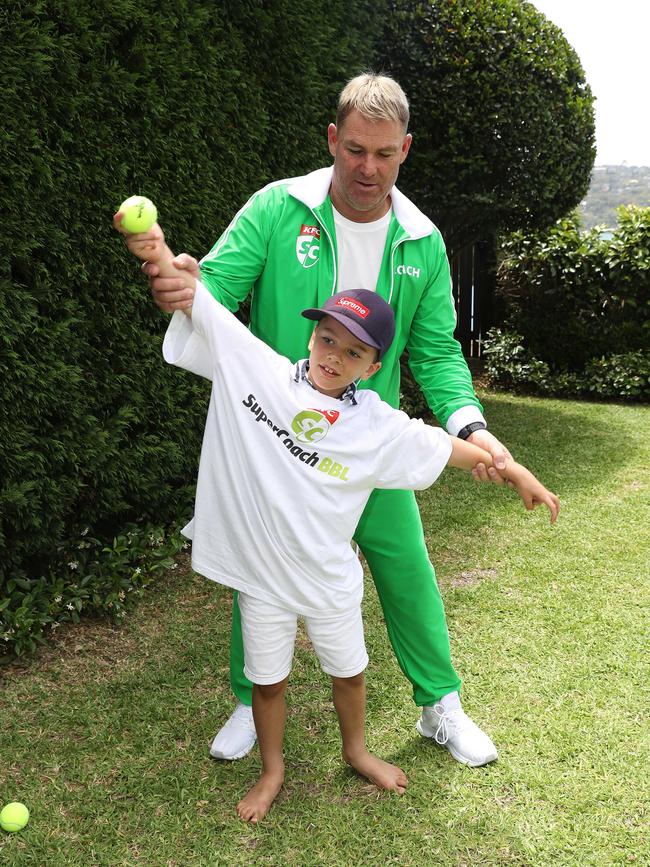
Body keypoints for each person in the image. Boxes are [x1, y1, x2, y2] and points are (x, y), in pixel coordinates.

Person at [115, 215, 559, 823]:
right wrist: (156, 249)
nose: (335, 356)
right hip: (263, 580)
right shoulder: (258, 370)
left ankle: (357, 751)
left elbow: (440, 447)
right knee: (267, 684)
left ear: (373, 366)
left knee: (348, 674)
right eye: (328, 339)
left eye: (354, 351)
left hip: (329, 579)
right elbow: (195, 298)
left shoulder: (375, 424)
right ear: (312, 334)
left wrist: (513, 471)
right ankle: (272, 772)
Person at [141, 73, 517, 768]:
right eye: (354, 150)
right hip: (273, 436)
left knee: (406, 565)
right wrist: (182, 286)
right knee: (260, 569)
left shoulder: (423, 240)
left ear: (404, 149)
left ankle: (441, 706)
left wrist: (468, 425)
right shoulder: (277, 207)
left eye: (383, 153)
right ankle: (250, 701)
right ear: (332, 140)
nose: (367, 168)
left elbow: (435, 351)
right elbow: (212, 293)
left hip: (363, 439)